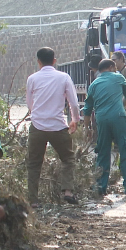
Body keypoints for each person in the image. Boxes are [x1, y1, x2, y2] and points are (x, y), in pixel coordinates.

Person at [25, 47, 80, 207]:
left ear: (38, 61)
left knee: (34, 163)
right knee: (68, 159)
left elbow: (30, 104)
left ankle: (33, 200)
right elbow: (74, 103)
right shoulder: (63, 77)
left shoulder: (32, 79)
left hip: (37, 126)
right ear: (54, 61)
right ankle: (68, 191)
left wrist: (36, 114)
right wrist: (75, 120)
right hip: (58, 126)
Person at [83, 59, 126, 196]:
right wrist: (122, 104)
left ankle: (100, 187)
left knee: (103, 153)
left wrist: (87, 128)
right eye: (115, 67)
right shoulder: (118, 77)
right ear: (111, 67)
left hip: (101, 120)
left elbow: (87, 109)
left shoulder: (94, 84)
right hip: (118, 118)